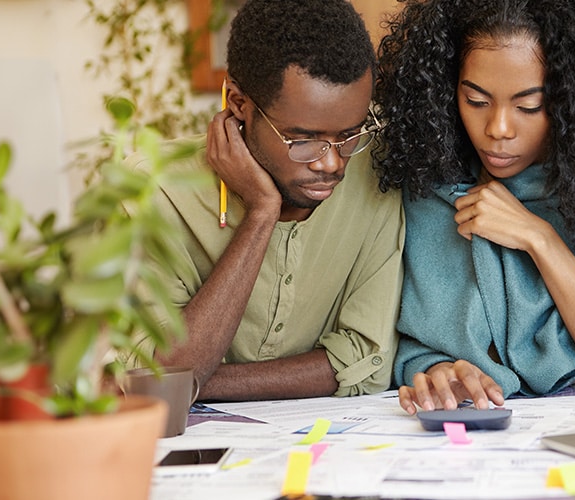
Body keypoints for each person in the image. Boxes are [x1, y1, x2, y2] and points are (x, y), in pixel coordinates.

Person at [374, 0, 575, 414]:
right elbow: (421, 346)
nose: (498, 129)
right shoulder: (431, 190)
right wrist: (443, 372)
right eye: (475, 101)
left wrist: (539, 238)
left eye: (529, 106)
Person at [132, 0, 404, 401]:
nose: (332, 163)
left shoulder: (377, 175)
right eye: (303, 139)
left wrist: (203, 381)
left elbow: (365, 363)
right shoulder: (154, 192)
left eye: (350, 134)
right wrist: (261, 211)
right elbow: (156, 383)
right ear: (238, 103)